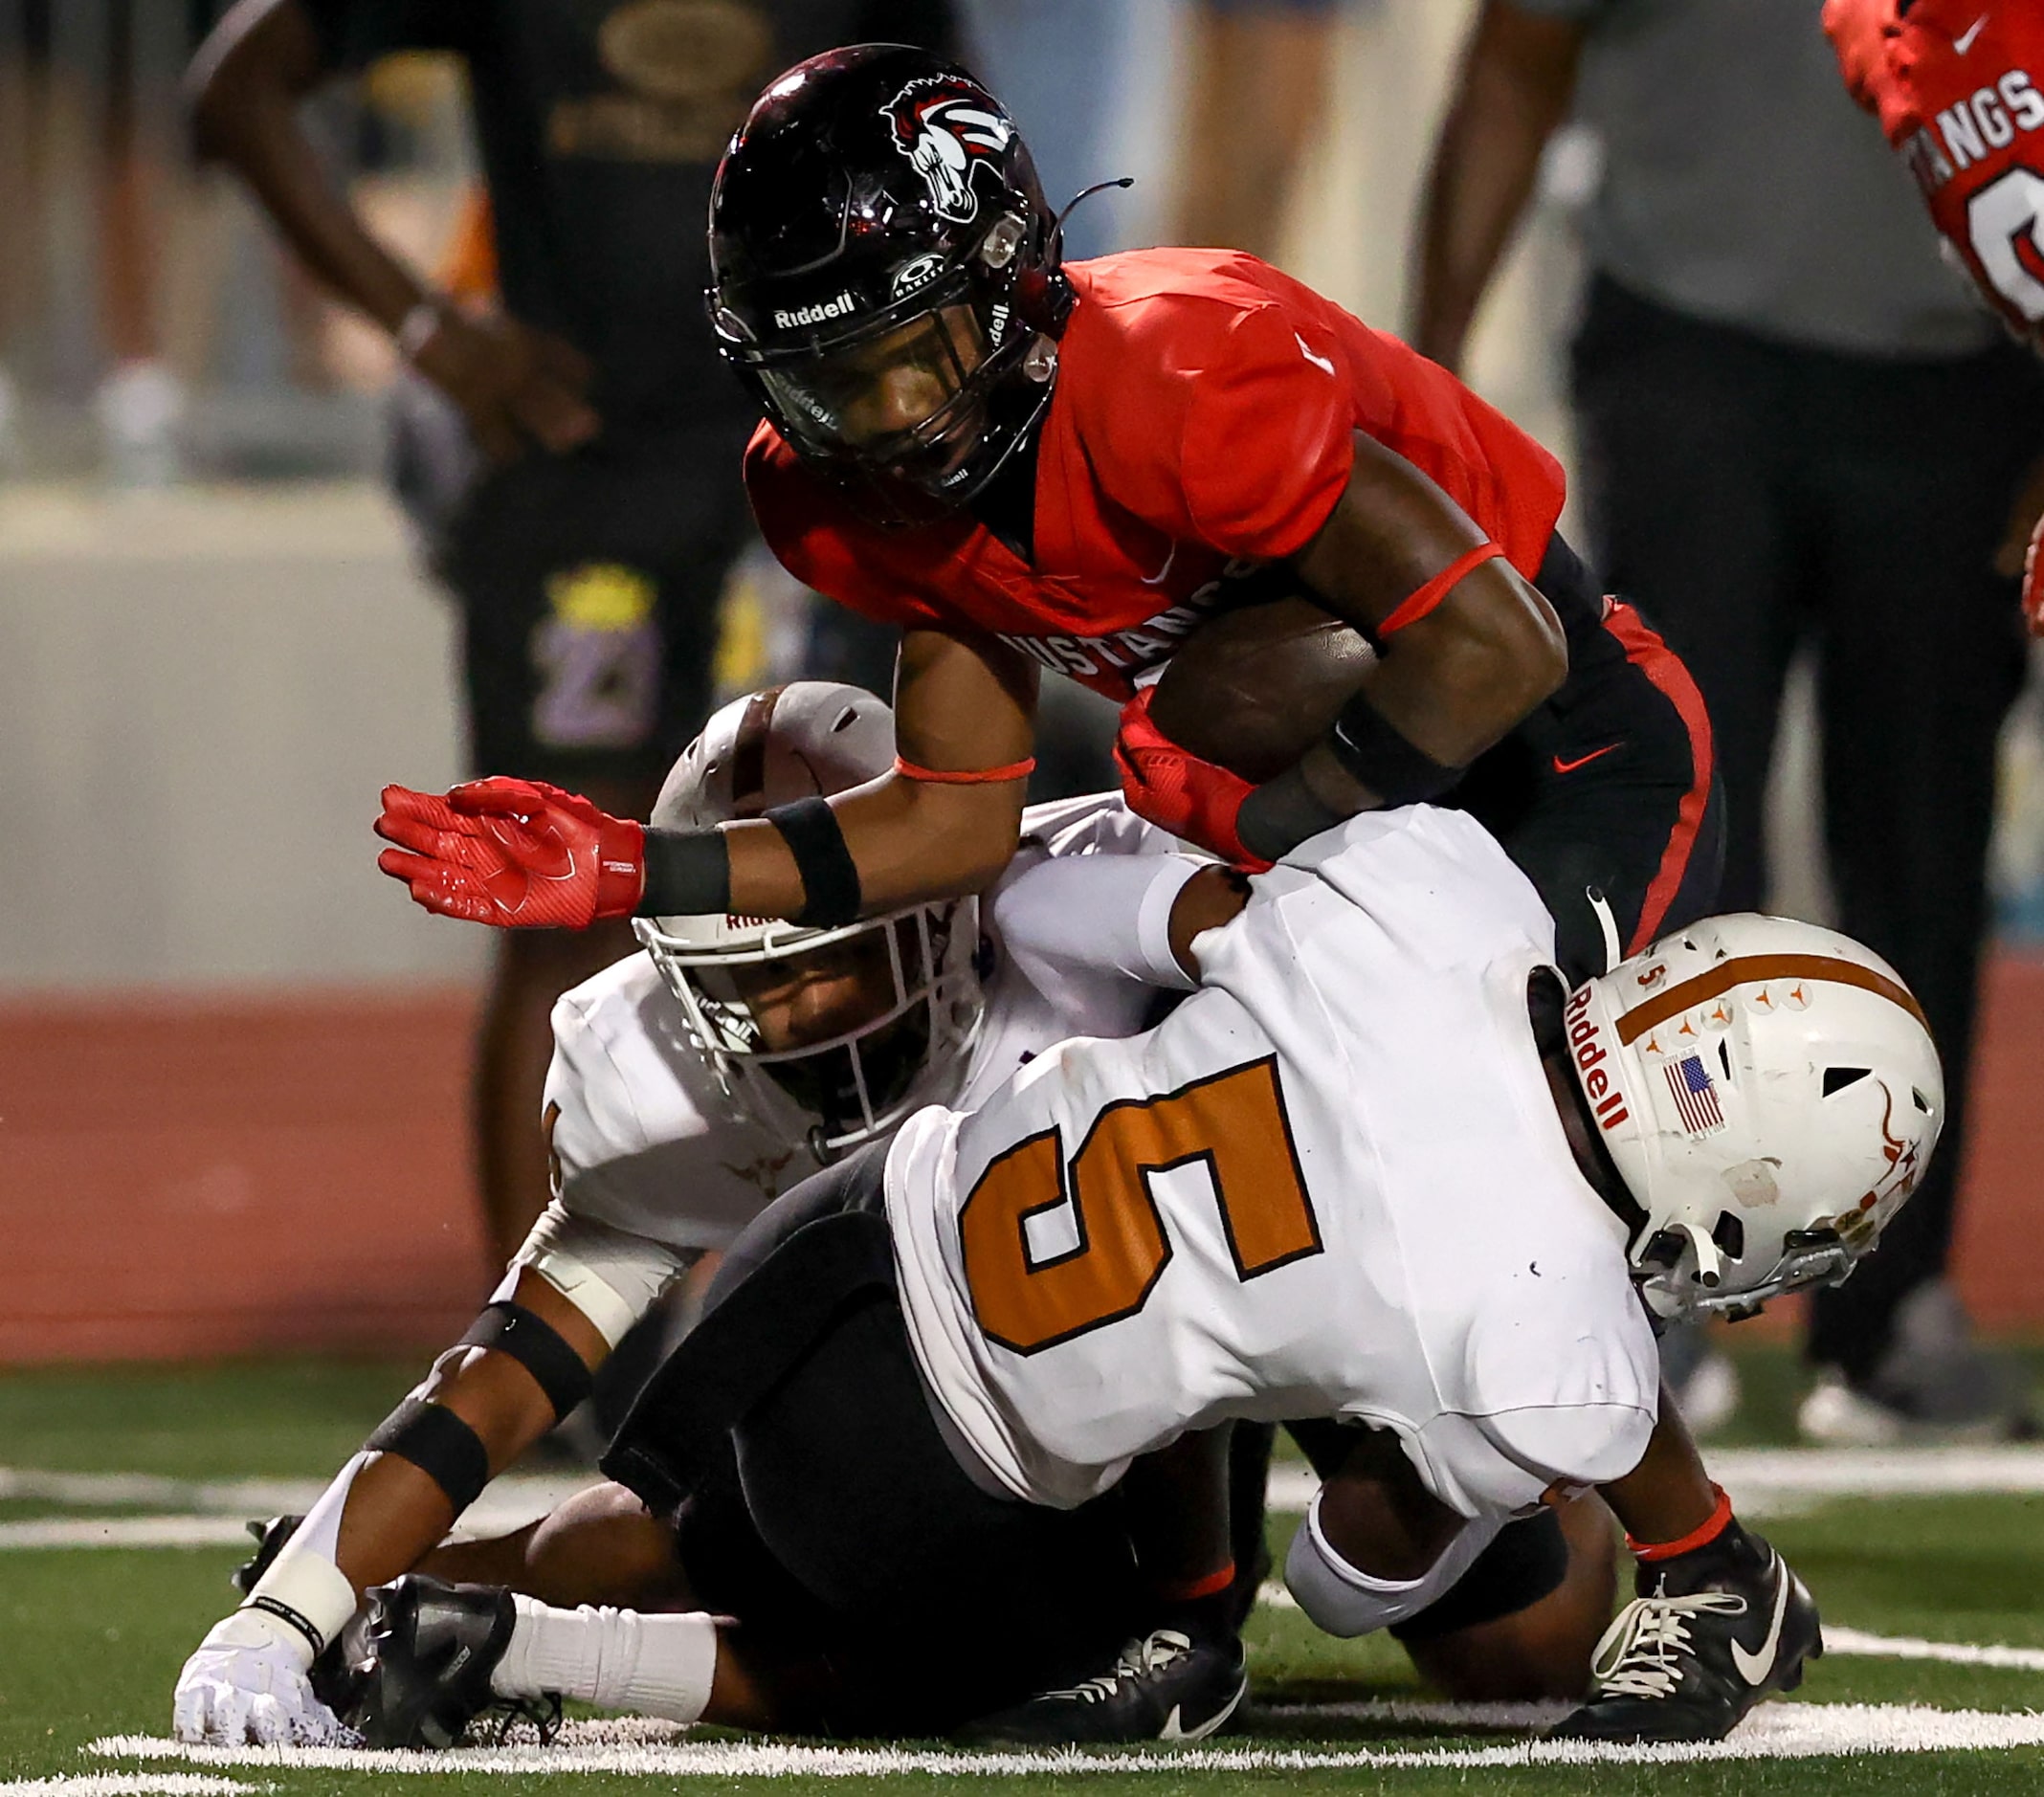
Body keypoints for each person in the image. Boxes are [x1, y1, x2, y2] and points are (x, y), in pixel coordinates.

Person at [172, 686, 1620, 1748]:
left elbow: (1340, 1037)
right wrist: (291, 1606)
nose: (796, 1011)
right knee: (637, 1548)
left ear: (937, 912)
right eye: (753, 984)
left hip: (1270, 1268)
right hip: (972, 1360)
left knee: (1532, 1643)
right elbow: (500, 1369)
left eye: (832, 960)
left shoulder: (1084, 920)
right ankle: (441, 1591)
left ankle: (1637, 1529)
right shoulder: (661, 1079)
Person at [345, 804, 1942, 1748]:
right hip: (956, 1464)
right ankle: (532, 1655)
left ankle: (381, 1582)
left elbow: (1066, 890)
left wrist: (1218, 974)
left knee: (676, 1510)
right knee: (936, 1675)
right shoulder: (1553, 1352)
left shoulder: (1445, 890)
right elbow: (1352, 1576)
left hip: (851, 1225)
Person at [370, 40, 1720, 1000]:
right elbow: (950, 822)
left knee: (1491, 1112)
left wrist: (1273, 827)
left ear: (1007, 277)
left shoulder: (1180, 375)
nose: (888, 417)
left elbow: (1501, 650)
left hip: (1559, 749)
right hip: (1335, 796)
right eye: (826, 379)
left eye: (913, 351)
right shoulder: (831, 498)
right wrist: (624, 868)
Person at [185, 1, 959, 1269]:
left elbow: (956, 156)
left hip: (810, 475)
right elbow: (235, 89)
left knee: (842, 905)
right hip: (580, 469)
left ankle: (823, 1325)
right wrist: (429, 332)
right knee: (559, 893)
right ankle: (530, 1358)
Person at [1407, 0, 2044, 1445]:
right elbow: (1515, 58)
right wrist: (1428, 373)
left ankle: (1892, 1309)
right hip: (1687, 346)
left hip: (1968, 381)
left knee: (1924, 840)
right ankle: (1649, 1270)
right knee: (1668, 821)